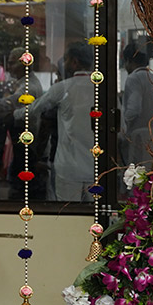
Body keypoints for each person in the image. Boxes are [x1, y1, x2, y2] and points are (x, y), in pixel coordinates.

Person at [31, 43, 96, 202]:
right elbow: (120, 129)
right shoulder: (103, 90)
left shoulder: (62, 89)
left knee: (66, 212)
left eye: (65, 60)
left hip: (68, 168)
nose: (62, 65)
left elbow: (35, 109)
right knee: (95, 213)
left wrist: (12, 113)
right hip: (95, 168)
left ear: (74, 62)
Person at [120, 42, 153, 167]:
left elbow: (134, 109)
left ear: (128, 61)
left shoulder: (133, 78)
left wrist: (124, 129)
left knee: (136, 173)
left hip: (137, 137)